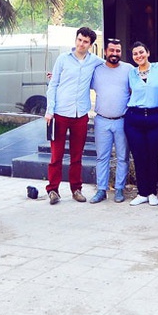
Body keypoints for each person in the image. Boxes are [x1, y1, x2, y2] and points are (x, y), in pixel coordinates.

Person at [44, 27, 103, 205]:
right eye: (79, 40)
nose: (81, 44)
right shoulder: (63, 59)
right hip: (60, 113)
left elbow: (111, 66)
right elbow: (53, 85)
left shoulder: (95, 61)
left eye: (85, 42)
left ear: (91, 45)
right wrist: (49, 110)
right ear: (75, 40)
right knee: (56, 155)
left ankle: (76, 189)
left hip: (81, 115)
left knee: (77, 155)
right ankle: (53, 190)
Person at [124, 41, 158, 206]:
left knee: (153, 155)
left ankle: (152, 192)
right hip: (135, 118)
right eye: (135, 54)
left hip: (156, 117)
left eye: (141, 52)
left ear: (147, 52)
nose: (139, 56)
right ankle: (142, 192)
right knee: (139, 156)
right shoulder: (131, 73)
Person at [89, 38, 132, 204]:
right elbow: (78, 82)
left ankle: (119, 189)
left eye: (118, 51)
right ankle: (101, 190)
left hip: (122, 120)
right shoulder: (96, 70)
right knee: (102, 157)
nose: (115, 54)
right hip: (102, 120)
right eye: (112, 50)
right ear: (105, 52)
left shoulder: (129, 69)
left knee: (122, 157)